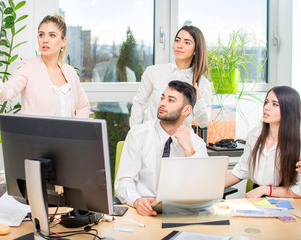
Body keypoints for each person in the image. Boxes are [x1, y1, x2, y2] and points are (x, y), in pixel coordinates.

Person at [115, 80, 208, 216]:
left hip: (180, 213)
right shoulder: (138, 135)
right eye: (162, 98)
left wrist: (189, 151)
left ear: (186, 110)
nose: (163, 103)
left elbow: (202, 190)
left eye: (171, 100)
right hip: (143, 210)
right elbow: (124, 181)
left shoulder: (196, 144)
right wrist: (136, 201)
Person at [0, 14, 90, 118]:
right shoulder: (28, 68)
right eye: (41, 35)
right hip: (36, 139)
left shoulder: (70, 72)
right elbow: (3, 94)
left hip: (67, 140)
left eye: (52, 35)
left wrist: (78, 130)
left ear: (63, 41)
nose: (45, 40)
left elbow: (83, 105)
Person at [225, 86, 301, 198]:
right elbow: (241, 170)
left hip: (285, 201)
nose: (266, 107)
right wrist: (210, 189)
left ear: (289, 110)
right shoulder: (254, 135)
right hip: (258, 199)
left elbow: (298, 190)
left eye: (275, 104)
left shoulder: (297, 143)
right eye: (266, 102)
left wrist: (266, 190)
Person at [130, 25, 211, 129]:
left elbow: (203, 122)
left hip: (180, 142)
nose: (179, 45)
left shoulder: (202, 84)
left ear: (195, 50)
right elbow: (139, 103)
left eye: (187, 42)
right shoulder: (153, 72)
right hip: (151, 141)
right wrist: (136, 134)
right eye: (177, 40)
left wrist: (198, 98)